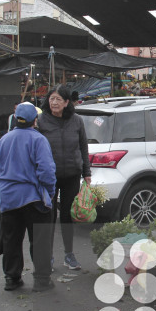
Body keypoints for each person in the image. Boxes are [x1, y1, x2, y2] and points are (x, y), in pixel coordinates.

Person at [0, 102, 57, 292]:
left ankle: (12, 279)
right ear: (34, 121)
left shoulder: (3, 141)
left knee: (11, 240)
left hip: (8, 198)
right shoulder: (39, 140)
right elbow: (46, 171)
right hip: (34, 198)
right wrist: (50, 193)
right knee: (40, 241)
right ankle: (42, 280)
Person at [37, 85, 91, 271]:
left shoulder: (76, 121)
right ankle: (48, 257)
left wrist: (87, 172)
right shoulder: (41, 121)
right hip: (48, 177)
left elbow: (83, 147)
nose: (54, 102)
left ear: (67, 102)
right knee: (49, 216)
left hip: (72, 175)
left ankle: (69, 255)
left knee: (68, 216)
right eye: (52, 98)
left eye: (58, 99)